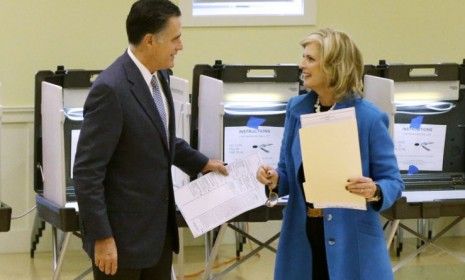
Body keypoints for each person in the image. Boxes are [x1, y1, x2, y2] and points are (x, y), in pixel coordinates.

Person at [73, 1, 228, 279]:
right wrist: (102, 237)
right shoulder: (111, 89)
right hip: (121, 243)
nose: (180, 46)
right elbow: (87, 172)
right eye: (176, 38)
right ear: (149, 41)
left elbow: (161, 137)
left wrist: (203, 163)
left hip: (157, 237)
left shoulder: (161, 77)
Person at [256, 28, 404, 280]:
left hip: (353, 244)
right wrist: (273, 178)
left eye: (310, 59)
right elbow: (287, 173)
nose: (301, 64)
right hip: (301, 238)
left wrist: (375, 190)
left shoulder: (368, 117)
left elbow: (393, 182)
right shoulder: (295, 110)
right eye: (303, 57)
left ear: (336, 66)